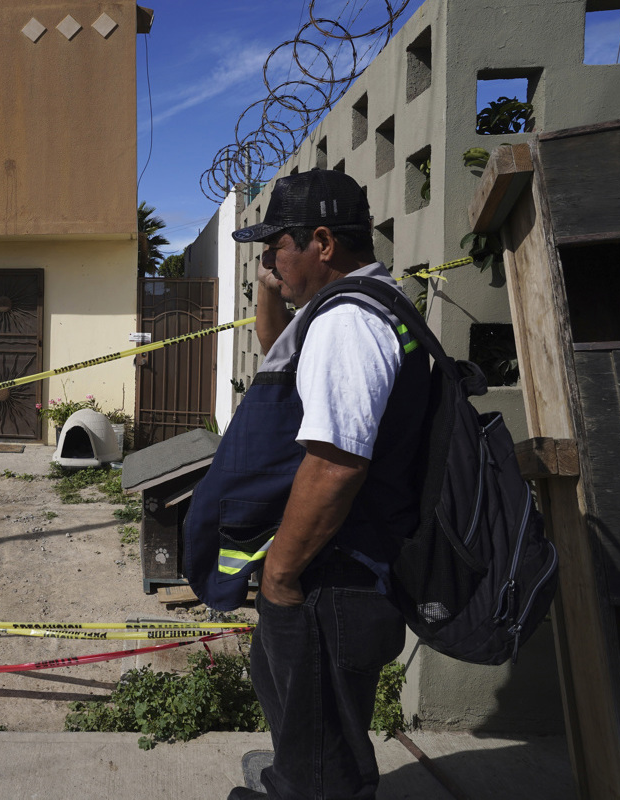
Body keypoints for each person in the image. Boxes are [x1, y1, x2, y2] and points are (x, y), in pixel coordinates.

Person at [210, 169, 429, 799]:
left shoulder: (347, 323)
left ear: (323, 242)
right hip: (345, 570)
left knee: (320, 749)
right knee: (309, 728)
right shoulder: (365, 303)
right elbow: (286, 357)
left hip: (333, 577)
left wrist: (280, 574)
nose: (268, 259)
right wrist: (271, 283)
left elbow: (336, 463)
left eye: (277, 244)